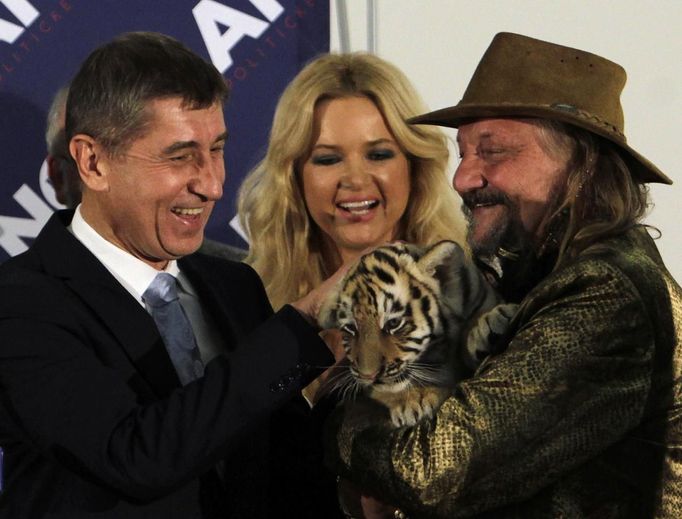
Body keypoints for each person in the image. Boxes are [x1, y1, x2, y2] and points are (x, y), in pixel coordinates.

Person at [325, 32, 682, 517]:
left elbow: (431, 472)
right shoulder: (538, 280)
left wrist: (347, 415)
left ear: (580, 163)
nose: (463, 178)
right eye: (464, 153)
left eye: (492, 152)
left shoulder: (604, 292)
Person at [0, 31, 338, 518]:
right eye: (179, 156)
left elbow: (294, 469)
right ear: (93, 163)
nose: (212, 183)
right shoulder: (23, 303)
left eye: (217, 148)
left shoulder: (234, 287)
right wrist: (300, 326)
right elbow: (136, 457)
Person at [237, 52, 467, 311]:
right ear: (294, 177)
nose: (356, 180)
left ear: (414, 167)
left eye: (378, 155)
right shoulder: (248, 308)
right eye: (328, 159)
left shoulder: (474, 297)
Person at [44, 84, 247, 262]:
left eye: (215, 149)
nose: (213, 189)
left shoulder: (250, 280)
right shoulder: (21, 299)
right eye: (179, 156)